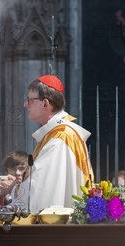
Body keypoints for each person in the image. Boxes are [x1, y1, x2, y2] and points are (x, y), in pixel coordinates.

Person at [14, 75, 94, 212]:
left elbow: (40, 190)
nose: (25, 104)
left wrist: (13, 189)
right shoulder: (58, 133)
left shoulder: (60, 137)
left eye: (29, 100)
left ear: (45, 103)